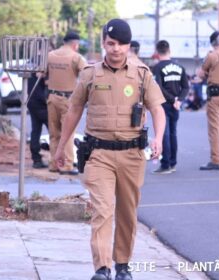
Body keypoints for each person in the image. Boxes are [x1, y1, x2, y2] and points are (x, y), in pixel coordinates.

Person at [54, 19, 166, 280]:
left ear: (128, 45)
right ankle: (102, 269)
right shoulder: (90, 74)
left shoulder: (142, 74)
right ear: (104, 43)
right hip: (99, 154)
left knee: (127, 213)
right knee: (102, 210)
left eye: (121, 44)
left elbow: (157, 109)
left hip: (131, 154)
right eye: (110, 43)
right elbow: (74, 111)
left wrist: (158, 138)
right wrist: (61, 146)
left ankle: (123, 266)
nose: (115, 49)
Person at [46, 31, 86, 175]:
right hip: (68, 100)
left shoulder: (50, 56)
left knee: (54, 133)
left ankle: (54, 164)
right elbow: (87, 75)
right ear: (75, 44)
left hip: (51, 98)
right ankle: (67, 165)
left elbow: (41, 73)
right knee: (67, 134)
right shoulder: (76, 57)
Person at [152, 40, 189, 174]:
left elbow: (159, 88)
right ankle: (173, 163)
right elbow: (185, 86)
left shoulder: (157, 68)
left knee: (164, 134)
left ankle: (165, 164)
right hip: (176, 106)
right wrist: (179, 100)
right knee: (173, 134)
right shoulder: (179, 67)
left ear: (157, 52)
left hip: (164, 104)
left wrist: (173, 99)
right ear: (169, 50)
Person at [199, 31, 219, 170]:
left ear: (213, 43)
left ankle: (216, 160)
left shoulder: (213, 55)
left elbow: (201, 74)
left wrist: (206, 73)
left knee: (214, 129)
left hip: (215, 96)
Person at [27, 72, 49, 169]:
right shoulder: (40, 72)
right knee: (54, 132)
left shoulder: (31, 71)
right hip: (42, 105)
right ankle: (58, 160)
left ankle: (36, 159)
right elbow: (41, 93)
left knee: (35, 131)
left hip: (32, 103)